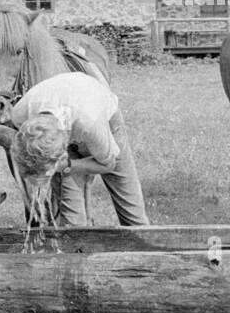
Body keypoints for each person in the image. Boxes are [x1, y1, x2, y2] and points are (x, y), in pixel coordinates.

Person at [8, 71, 149, 227]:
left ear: (61, 153)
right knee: (71, 221)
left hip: (99, 116)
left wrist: (67, 166)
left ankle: (145, 244)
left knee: (131, 211)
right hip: (64, 121)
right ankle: (75, 246)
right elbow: (29, 155)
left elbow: (108, 164)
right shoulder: (20, 115)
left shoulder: (90, 124)